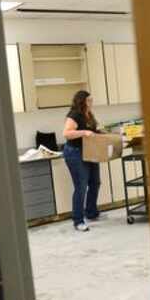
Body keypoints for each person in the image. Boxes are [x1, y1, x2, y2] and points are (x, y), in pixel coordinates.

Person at [62, 90, 102, 232]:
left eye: (91, 100)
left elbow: (92, 131)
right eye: (89, 100)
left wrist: (99, 132)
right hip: (75, 153)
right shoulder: (74, 115)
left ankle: (91, 212)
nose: (91, 103)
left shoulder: (89, 114)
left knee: (95, 182)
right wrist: (84, 132)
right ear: (82, 101)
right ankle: (78, 221)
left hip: (89, 152)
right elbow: (66, 133)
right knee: (81, 187)